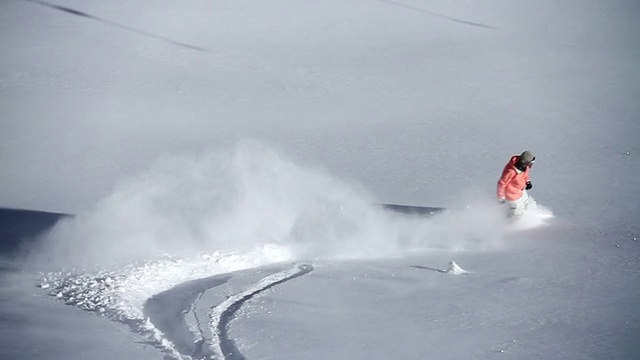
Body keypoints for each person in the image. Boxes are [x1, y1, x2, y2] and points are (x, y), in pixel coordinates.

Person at [497, 151, 535, 218]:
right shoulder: (511, 172)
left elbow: (525, 175)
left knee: (525, 202)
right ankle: (511, 222)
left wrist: (527, 182)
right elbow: (501, 183)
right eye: (530, 163)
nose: (531, 165)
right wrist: (501, 197)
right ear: (525, 163)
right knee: (516, 212)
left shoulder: (525, 167)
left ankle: (525, 215)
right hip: (512, 196)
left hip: (521, 191)